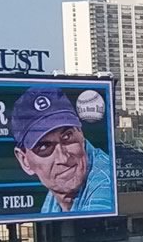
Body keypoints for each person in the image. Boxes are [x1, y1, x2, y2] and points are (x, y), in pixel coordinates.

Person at [9, 84, 114, 216]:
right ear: (24, 161)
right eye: (44, 147)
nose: (63, 158)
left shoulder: (106, 186)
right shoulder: (57, 193)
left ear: (81, 133)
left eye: (67, 137)